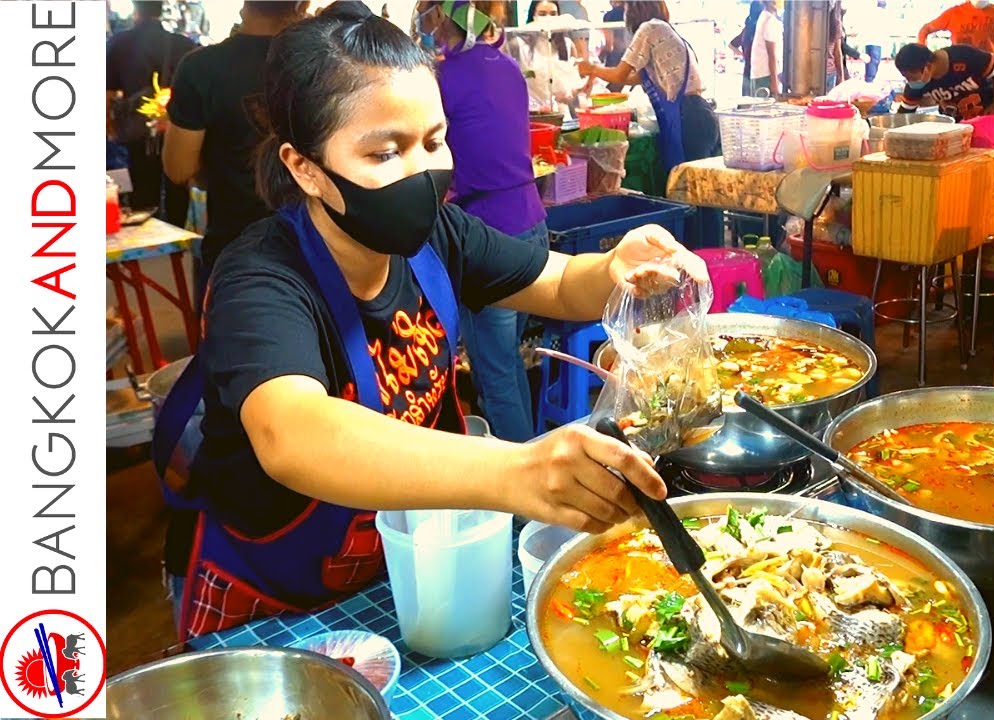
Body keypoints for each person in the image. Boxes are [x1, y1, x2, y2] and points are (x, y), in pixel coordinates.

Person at [158, 5, 704, 639]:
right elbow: (293, 433)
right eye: (386, 151)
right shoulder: (260, 277)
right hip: (273, 609)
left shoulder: (437, 239)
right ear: (304, 165)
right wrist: (519, 470)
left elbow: (553, 281)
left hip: (405, 573)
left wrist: (615, 265)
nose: (422, 171)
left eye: (434, 141)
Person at [417, 0, 547, 443]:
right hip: (532, 223)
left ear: (437, 17)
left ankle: (518, 500)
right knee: (508, 363)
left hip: (489, 232)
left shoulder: (443, 80)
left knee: (496, 377)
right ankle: (530, 452)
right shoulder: (505, 64)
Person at [163, 1, 310, 308]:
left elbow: (177, 167)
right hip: (320, 246)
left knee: (233, 350)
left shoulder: (201, 68)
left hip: (236, 249)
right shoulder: (321, 59)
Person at [579, 1, 720, 175]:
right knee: (690, 184)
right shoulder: (662, 28)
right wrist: (597, 74)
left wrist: (592, 68)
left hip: (689, 118)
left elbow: (619, 75)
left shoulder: (649, 29)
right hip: (699, 114)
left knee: (688, 185)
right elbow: (636, 78)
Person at [106, 0, 197, 225]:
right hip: (177, 127)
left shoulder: (120, 42)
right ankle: (176, 242)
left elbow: (107, 93)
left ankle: (148, 239)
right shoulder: (183, 44)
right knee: (177, 186)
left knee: (142, 188)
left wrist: (109, 127)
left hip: (137, 129)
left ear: (136, 11)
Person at [894, 42, 994, 121]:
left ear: (927, 67)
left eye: (912, 78)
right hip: (956, 123)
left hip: (987, 117)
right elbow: (904, 115)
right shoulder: (916, 85)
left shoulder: (965, 56)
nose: (910, 82)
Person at [918, 0, 994, 63]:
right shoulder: (954, 13)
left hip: (989, 70)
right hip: (959, 71)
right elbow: (925, 30)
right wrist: (924, 57)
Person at [749, 0, 783, 97]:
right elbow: (771, 54)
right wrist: (774, 81)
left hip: (761, 74)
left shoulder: (764, 16)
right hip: (766, 76)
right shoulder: (770, 20)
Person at [729, 1, 764, 96]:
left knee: (747, 102)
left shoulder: (746, 29)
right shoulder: (760, 30)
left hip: (748, 70)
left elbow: (732, 44)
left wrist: (743, 55)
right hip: (760, 71)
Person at [601, 0, 630, 91]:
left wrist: (601, 55)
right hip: (632, 55)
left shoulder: (608, 16)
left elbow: (609, 44)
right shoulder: (633, 13)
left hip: (616, 57)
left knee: (614, 90)